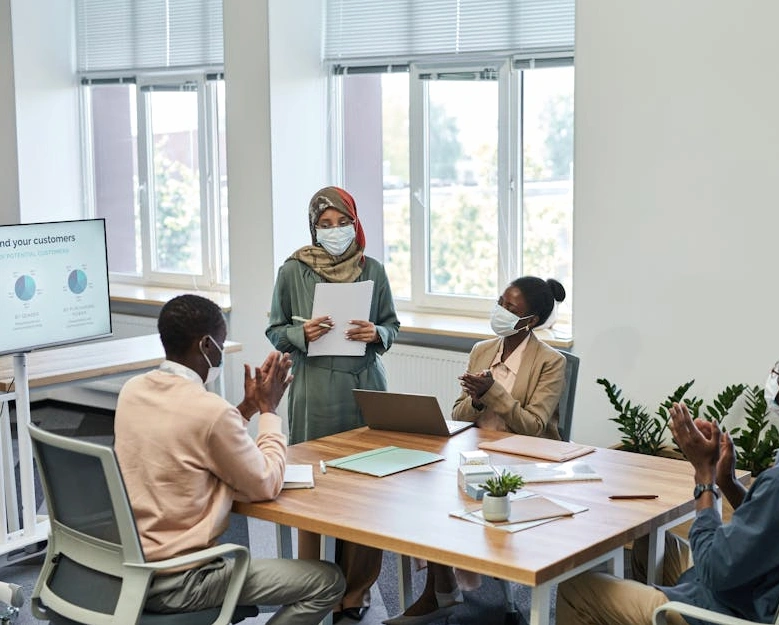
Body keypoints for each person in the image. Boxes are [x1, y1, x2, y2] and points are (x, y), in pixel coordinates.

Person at [556, 340, 779, 625]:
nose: (776, 374)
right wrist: (727, 480)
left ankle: (657, 610)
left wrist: (704, 476)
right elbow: (777, 525)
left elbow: (716, 571)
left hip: (736, 609)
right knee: (653, 541)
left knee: (577, 587)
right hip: (766, 588)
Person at [114, 294, 345, 625]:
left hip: (131, 566)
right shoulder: (209, 411)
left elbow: (192, 437)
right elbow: (265, 483)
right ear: (207, 345)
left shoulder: (133, 391)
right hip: (183, 579)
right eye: (221, 344)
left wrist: (247, 408)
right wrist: (268, 412)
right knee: (327, 581)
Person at [384, 276, 568, 625]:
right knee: (420, 491)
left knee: (451, 495)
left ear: (529, 321)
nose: (499, 311)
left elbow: (534, 426)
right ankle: (440, 588)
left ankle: (442, 592)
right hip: (476, 451)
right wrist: (477, 398)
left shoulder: (550, 362)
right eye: (500, 301)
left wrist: (493, 392)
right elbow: (458, 414)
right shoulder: (482, 350)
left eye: (509, 307)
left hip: (523, 459)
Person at [266, 186, 400, 621]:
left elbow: (391, 326)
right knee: (313, 487)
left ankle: (355, 593)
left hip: (365, 389)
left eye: (342, 222)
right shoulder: (293, 270)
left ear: (354, 223)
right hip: (316, 389)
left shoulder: (372, 269)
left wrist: (376, 335)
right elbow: (274, 329)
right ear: (312, 228)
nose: (335, 231)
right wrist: (298, 335)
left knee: (366, 491)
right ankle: (311, 583)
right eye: (324, 225)